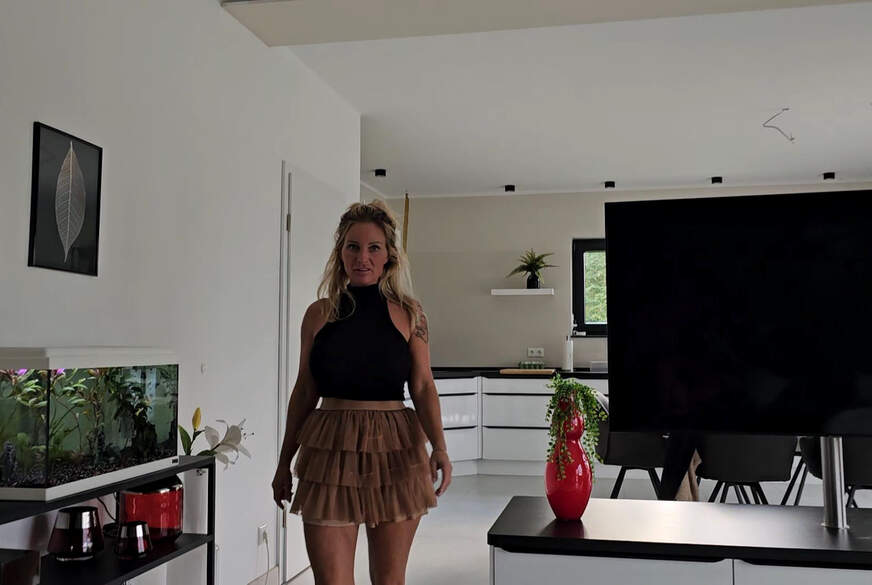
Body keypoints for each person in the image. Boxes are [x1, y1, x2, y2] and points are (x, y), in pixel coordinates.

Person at [271, 199, 452, 585]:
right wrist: (284, 461)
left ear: (389, 256)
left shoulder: (411, 314)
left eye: (374, 248)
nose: (362, 257)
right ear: (340, 252)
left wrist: (439, 447)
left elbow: (423, 385)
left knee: (389, 580)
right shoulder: (318, 314)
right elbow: (304, 390)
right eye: (353, 246)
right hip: (330, 450)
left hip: (396, 450)